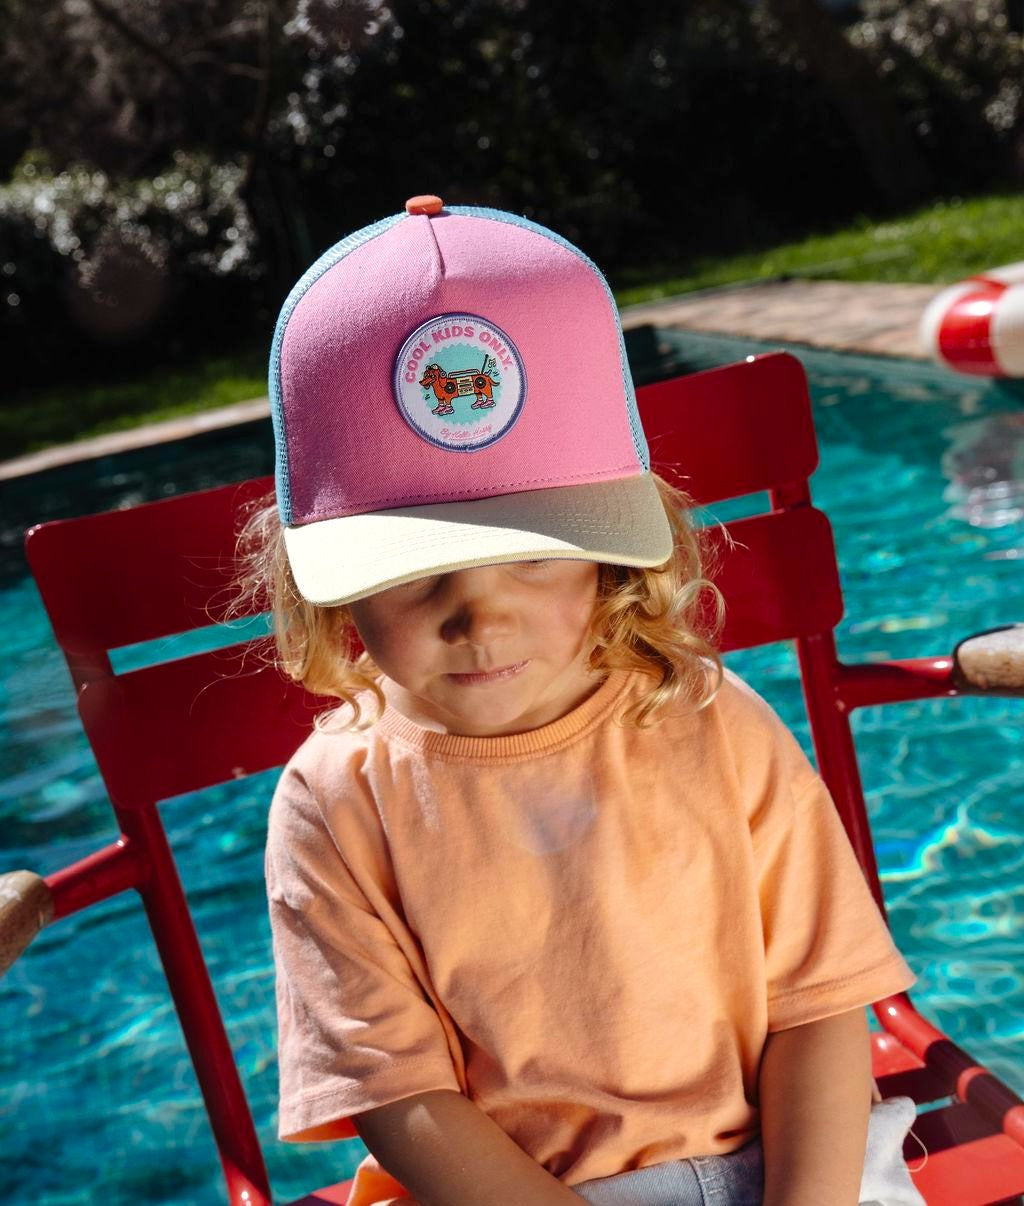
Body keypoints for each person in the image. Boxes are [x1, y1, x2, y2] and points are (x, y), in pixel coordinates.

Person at [243, 195, 925, 1205]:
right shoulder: (335, 801)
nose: (480, 618)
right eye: (414, 569)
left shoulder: (714, 719)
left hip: (790, 1165)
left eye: (533, 555)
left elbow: (817, 1007)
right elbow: (399, 1098)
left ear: (611, 556)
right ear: (331, 589)